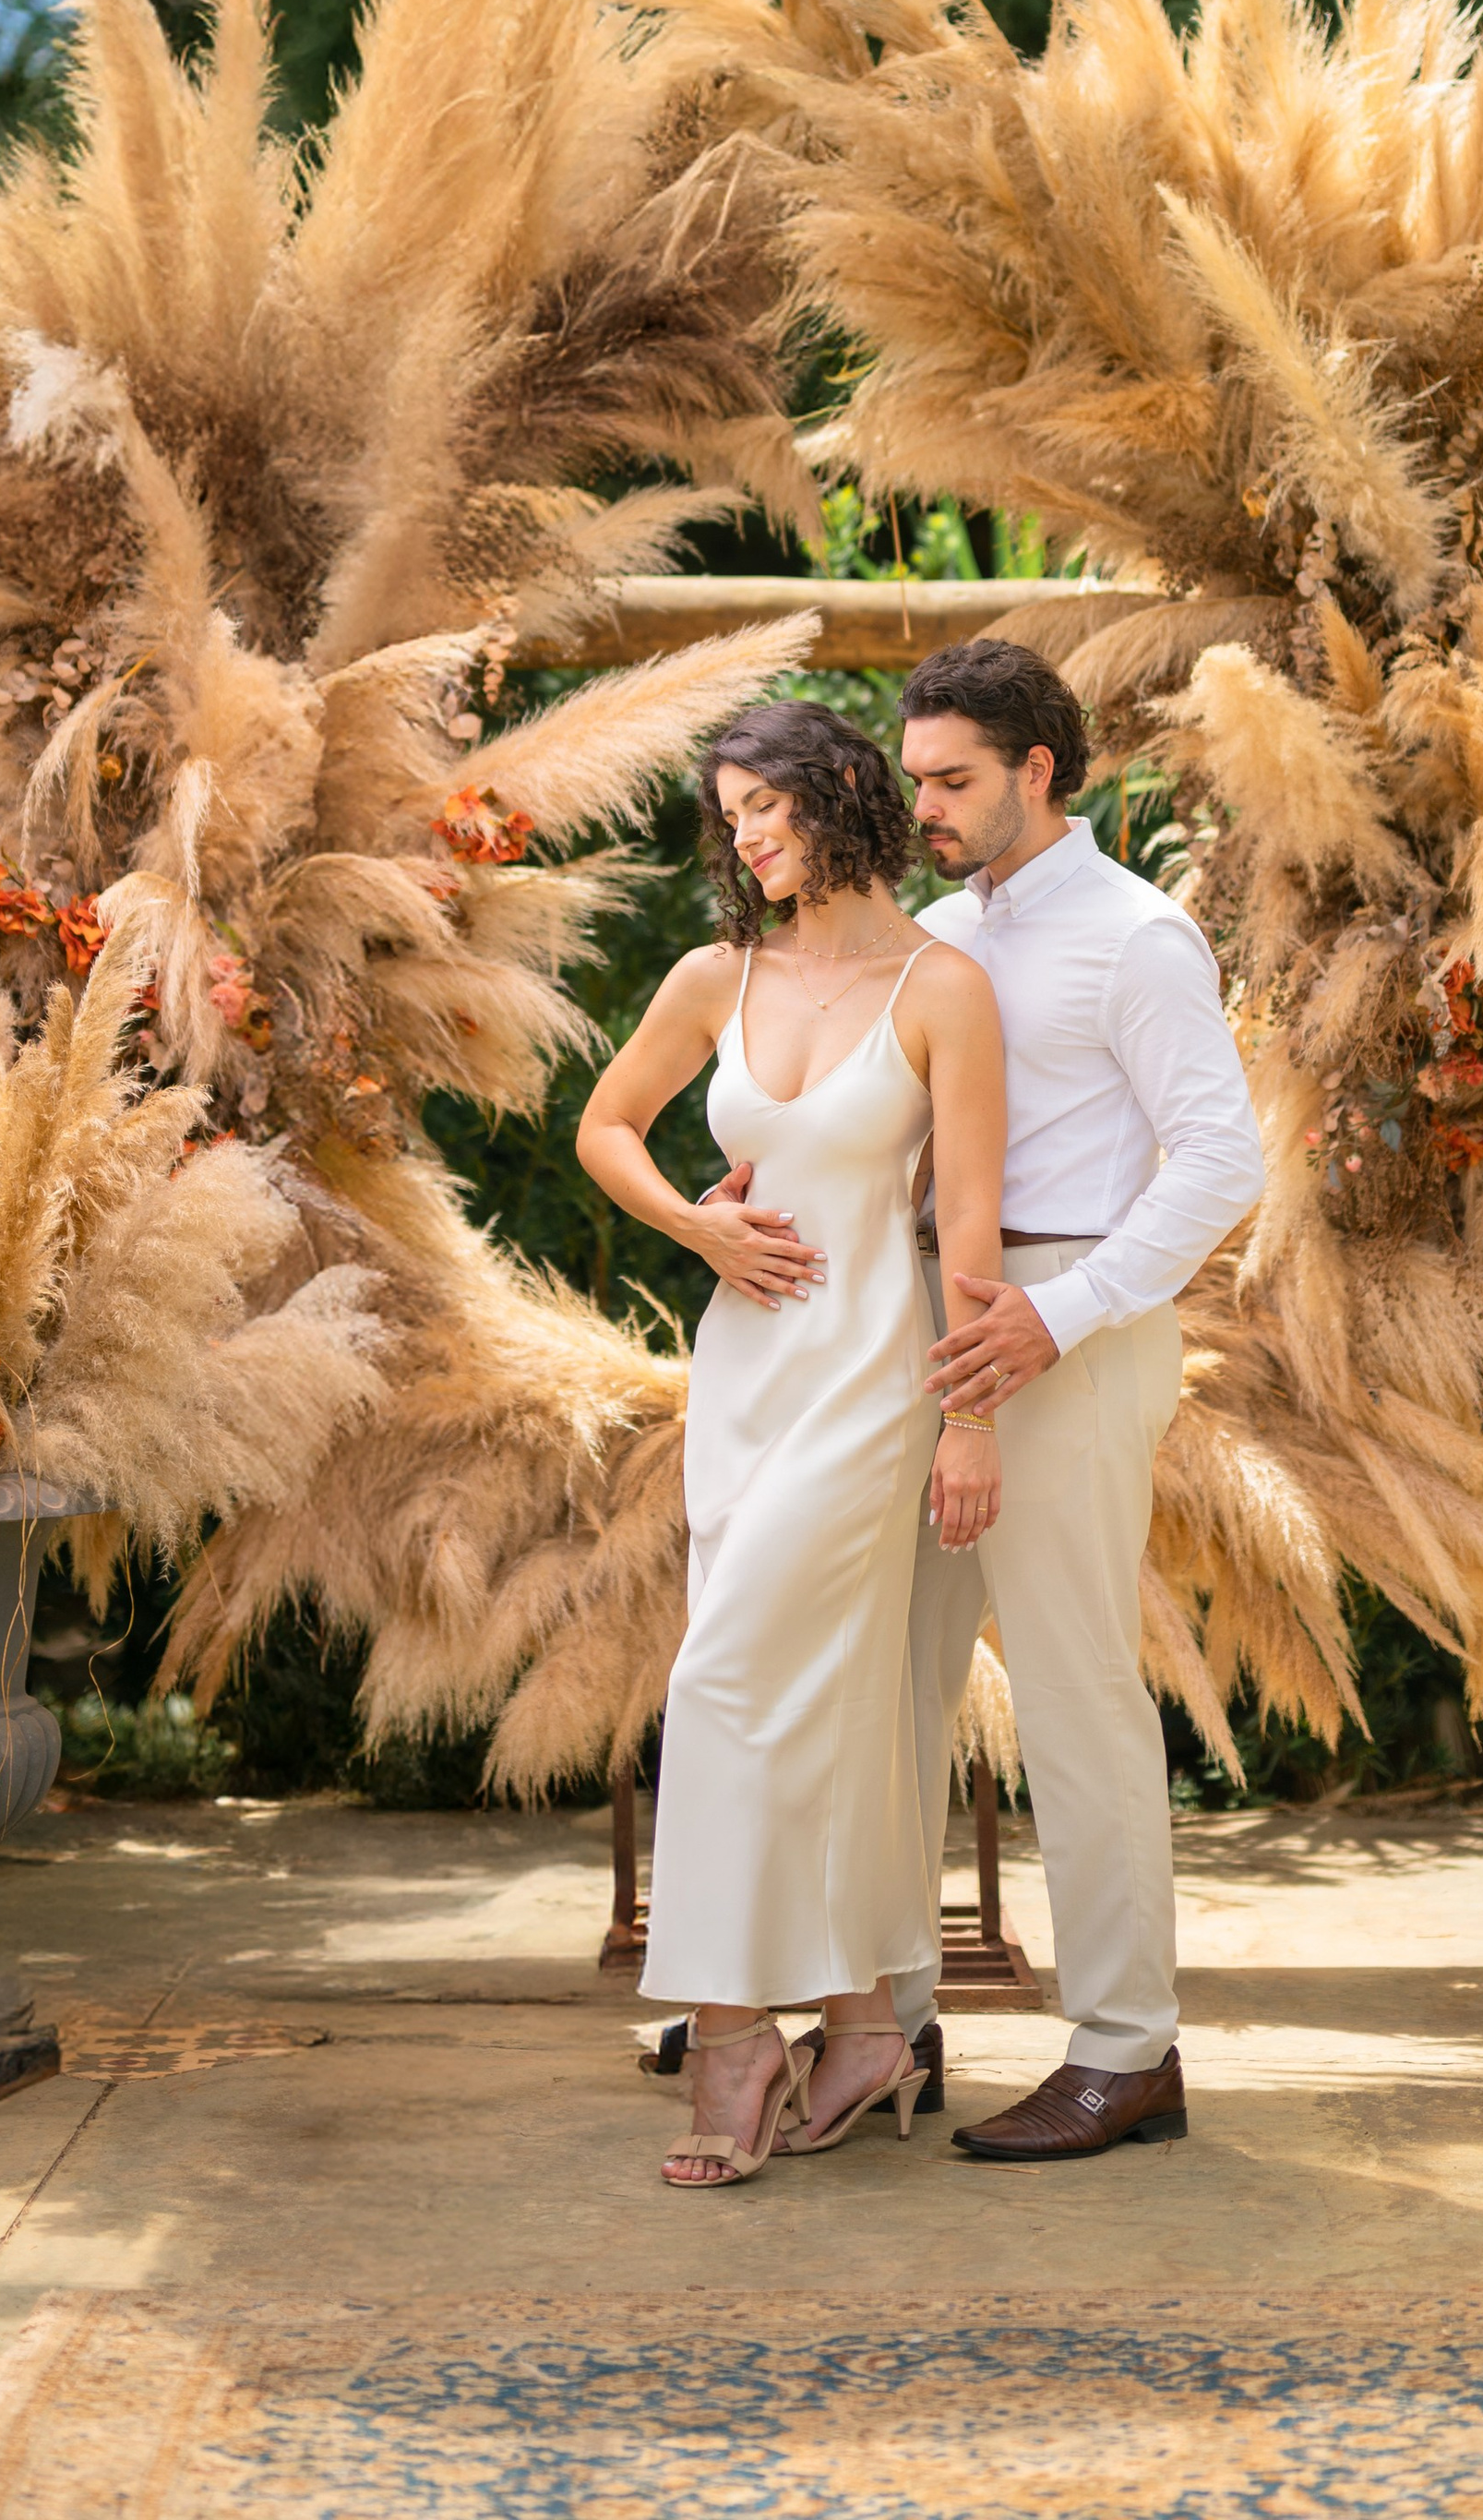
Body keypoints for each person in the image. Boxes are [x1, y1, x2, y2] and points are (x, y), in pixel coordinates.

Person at [576, 696, 1007, 2188]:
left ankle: (732, 2038)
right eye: (732, 815)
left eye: (769, 805)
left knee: (727, 1676)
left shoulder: (944, 988)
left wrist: (970, 1419)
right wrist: (694, 1222)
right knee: (824, 1705)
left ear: (842, 796)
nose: (749, 836)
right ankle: (868, 2018)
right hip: (746, 1377)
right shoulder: (716, 974)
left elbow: (969, 1228)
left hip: (872, 1382)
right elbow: (608, 1127)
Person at [891, 636, 1265, 2162]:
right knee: (892, 1672)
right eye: (913, 778)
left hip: (1071, 1324)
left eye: (954, 780)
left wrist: (1063, 1311)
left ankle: (1128, 2050)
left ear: (1039, 769)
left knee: (1070, 1690)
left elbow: (1222, 1164)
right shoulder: (923, 930)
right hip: (918, 1328)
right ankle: (879, 2010)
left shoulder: (1137, 936)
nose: (924, 805)